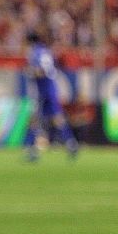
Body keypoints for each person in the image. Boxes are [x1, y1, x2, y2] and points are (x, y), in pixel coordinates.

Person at [24, 32, 79, 162]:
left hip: (43, 90)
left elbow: (41, 71)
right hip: (51, 88)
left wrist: (30, 71)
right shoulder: (45, 51)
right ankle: (71, 143)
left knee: (34, 119)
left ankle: (33, 150)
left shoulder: (34, 52)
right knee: (57, 118)